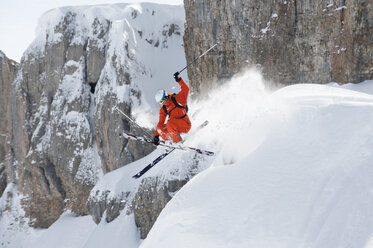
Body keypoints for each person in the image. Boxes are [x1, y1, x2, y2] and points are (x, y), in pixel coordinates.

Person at [153, 72, 191, 145]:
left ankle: (177, 142)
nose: (163, 103)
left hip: (185, 125)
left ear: (166, 96)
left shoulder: (177, 99)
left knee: (170, 122)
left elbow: (185, 89)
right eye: (161, 102)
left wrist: (178, 80)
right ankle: (170, 140)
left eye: (163, 100)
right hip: (173, 128)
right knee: (159, 128)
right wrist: (156, 135)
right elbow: (160, 123)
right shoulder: (163, 109)